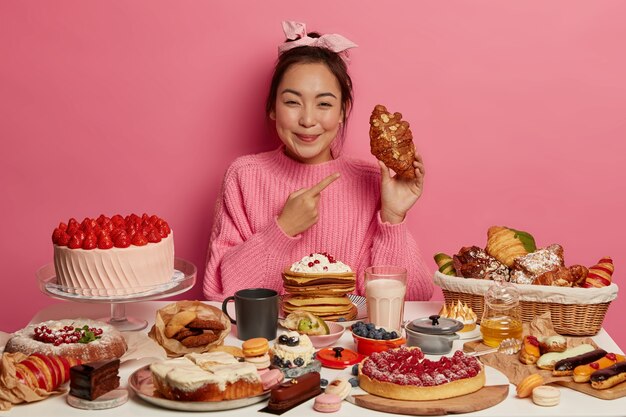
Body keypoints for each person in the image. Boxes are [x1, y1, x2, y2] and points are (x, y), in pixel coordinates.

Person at [203, 21, 434, 301]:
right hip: (267, 343)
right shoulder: (244, 177)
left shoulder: (372, 181)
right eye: (292, 102)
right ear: (272, 108)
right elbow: (219, 291)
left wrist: (393, 218)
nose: (308, 120)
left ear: (342, 111)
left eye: (323, 104)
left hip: (346, 344)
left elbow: (413, 298)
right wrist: (283, 229)